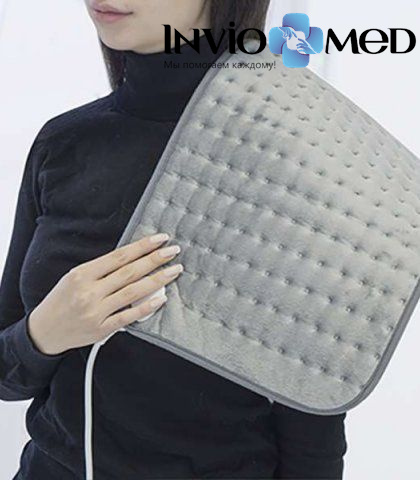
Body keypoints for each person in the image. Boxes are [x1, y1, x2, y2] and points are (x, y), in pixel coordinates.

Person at [0, 1, 347, 478]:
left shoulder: (291, 161)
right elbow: (6, 373)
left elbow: (313, 425)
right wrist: (44, 334)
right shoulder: (63, 142)